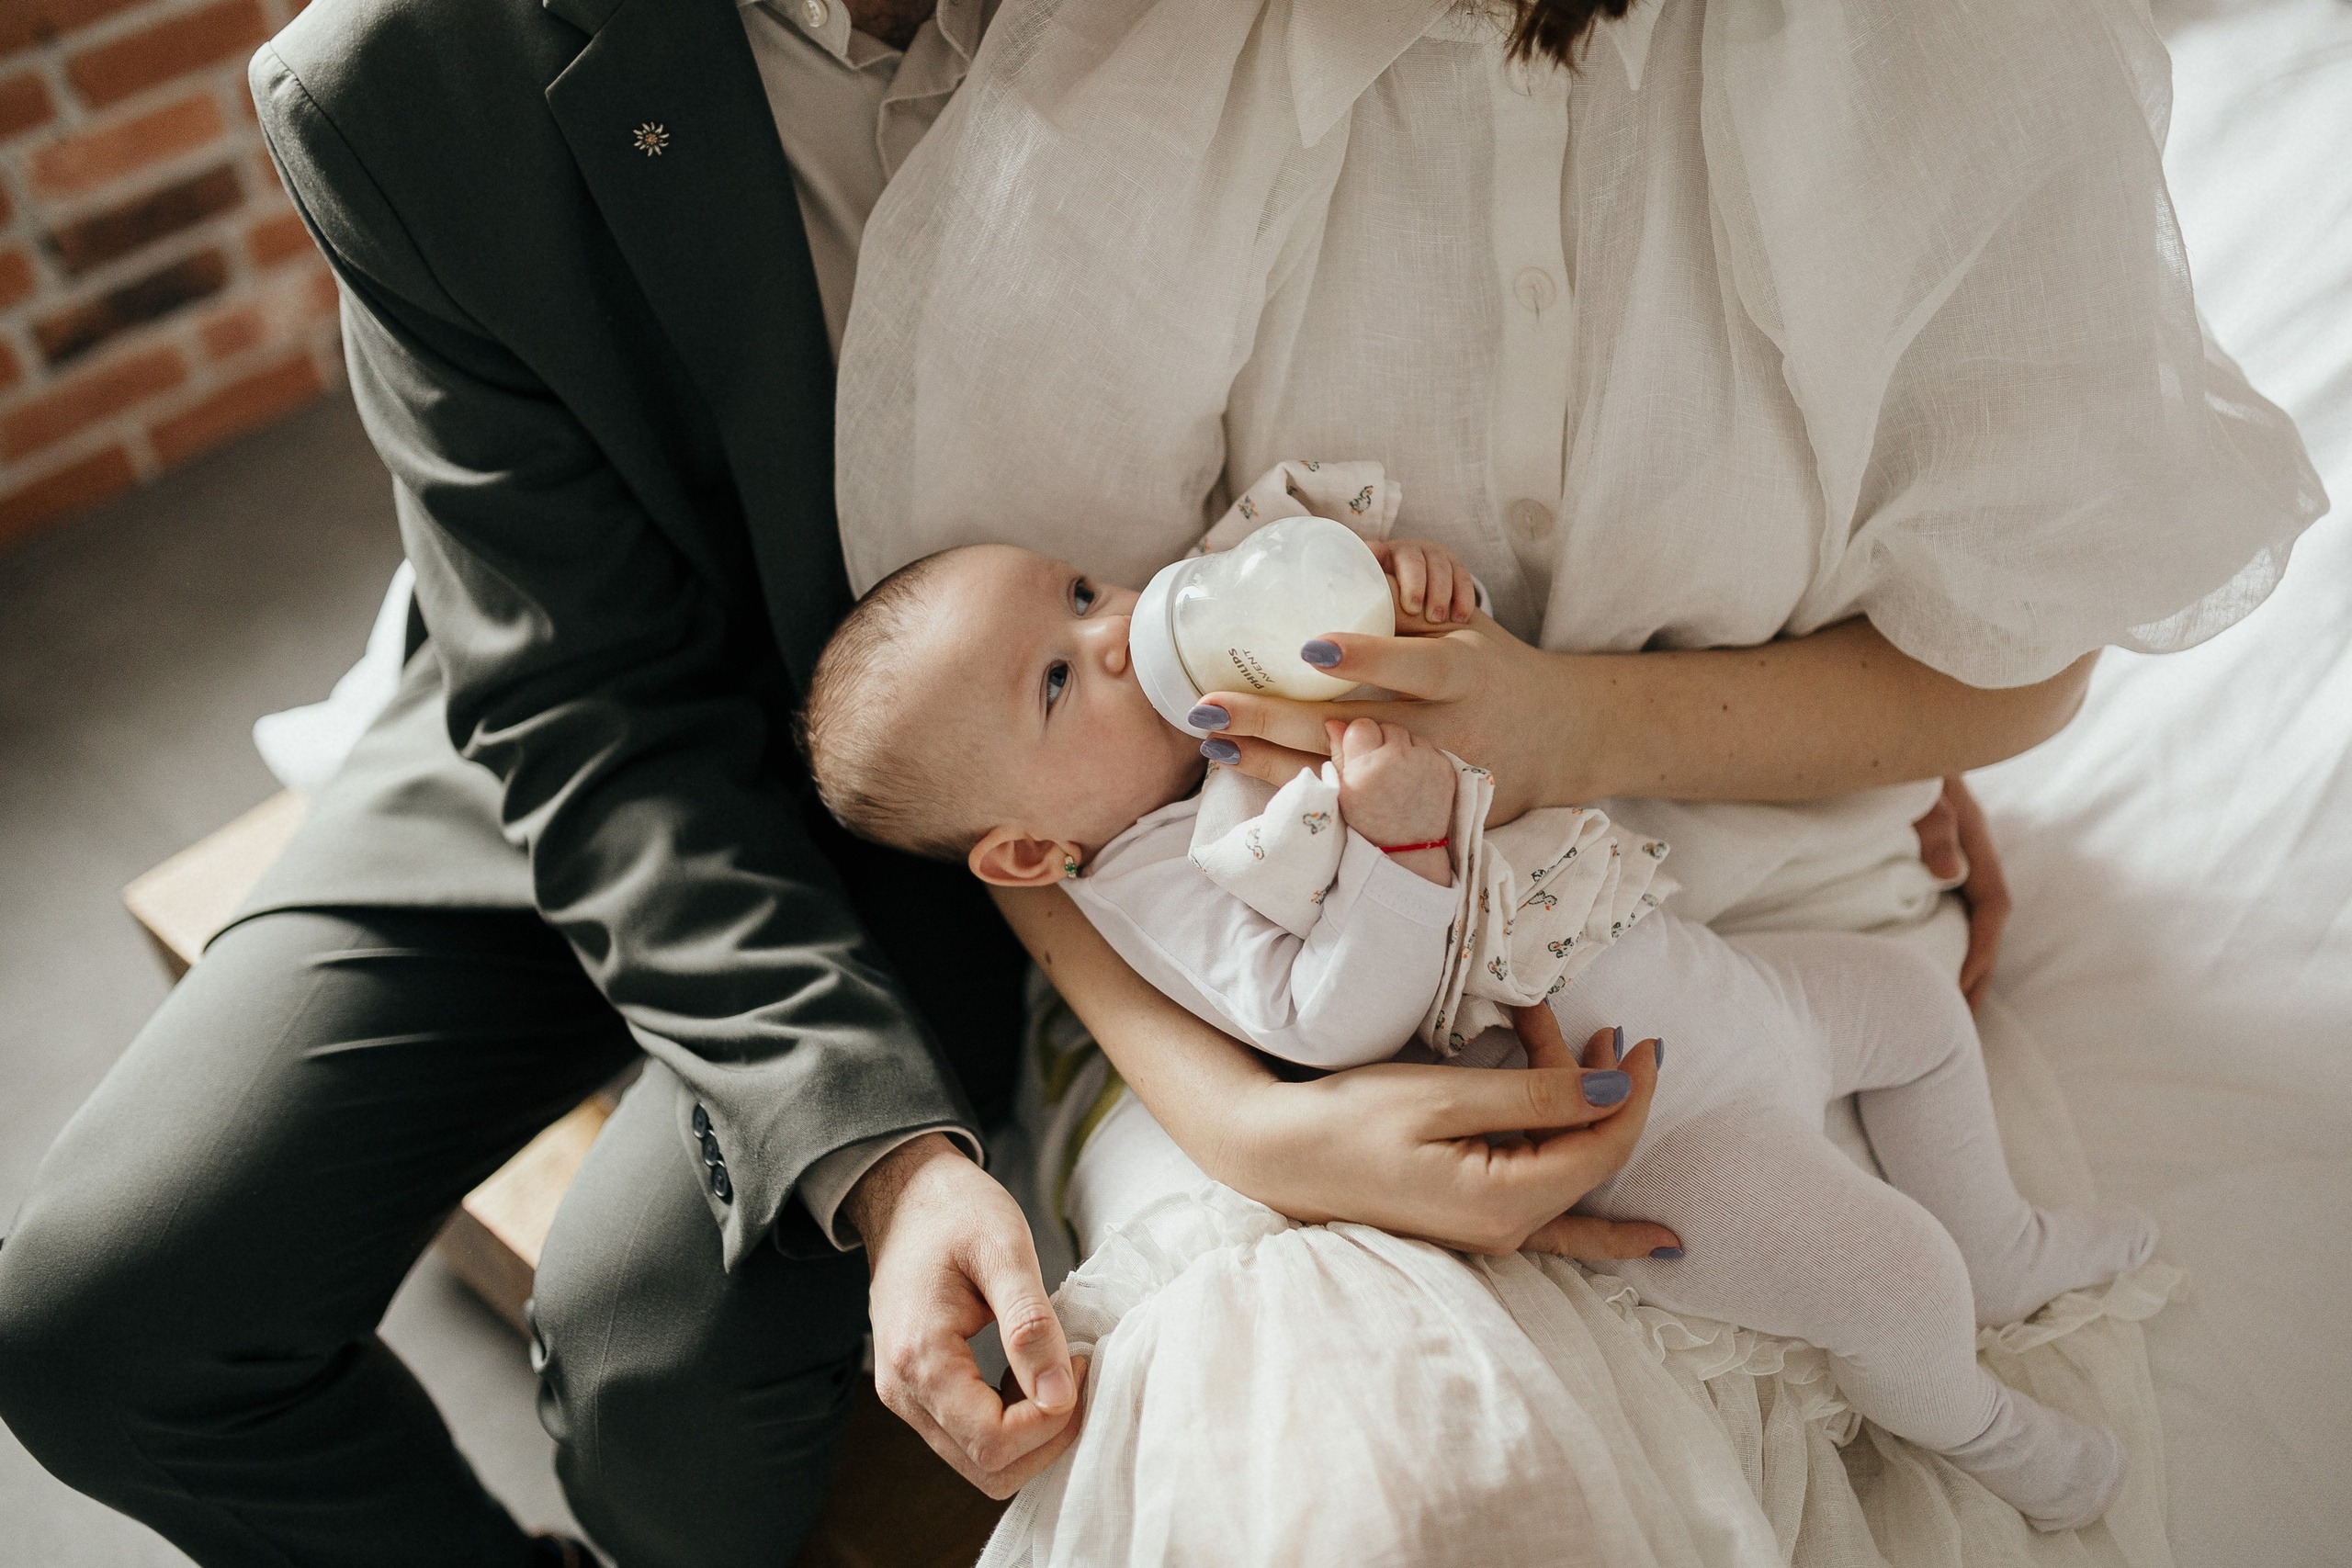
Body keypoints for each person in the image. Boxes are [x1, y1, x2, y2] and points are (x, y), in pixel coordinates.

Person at [0, 0, 1676, 1563]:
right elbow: (580, 697)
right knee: (99, 1321)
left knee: (663, 1383)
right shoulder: (398, 77)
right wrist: (885, 1156)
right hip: (600, 730)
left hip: (1033, 764)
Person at [827, 0, 2326, 1556]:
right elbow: (1065, 832)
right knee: (1466, 1463)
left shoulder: (1917, 55)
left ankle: (1995, 1270)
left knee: (1906, 1122)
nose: (1121, 622)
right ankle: (1977, 1409)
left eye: (1092, 595)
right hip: (1473, 1075)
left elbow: (2017, 640)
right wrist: (1256, 1112)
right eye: (1071, 652)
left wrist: (1536, 694)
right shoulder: (1148, 75)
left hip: (1742, 918)